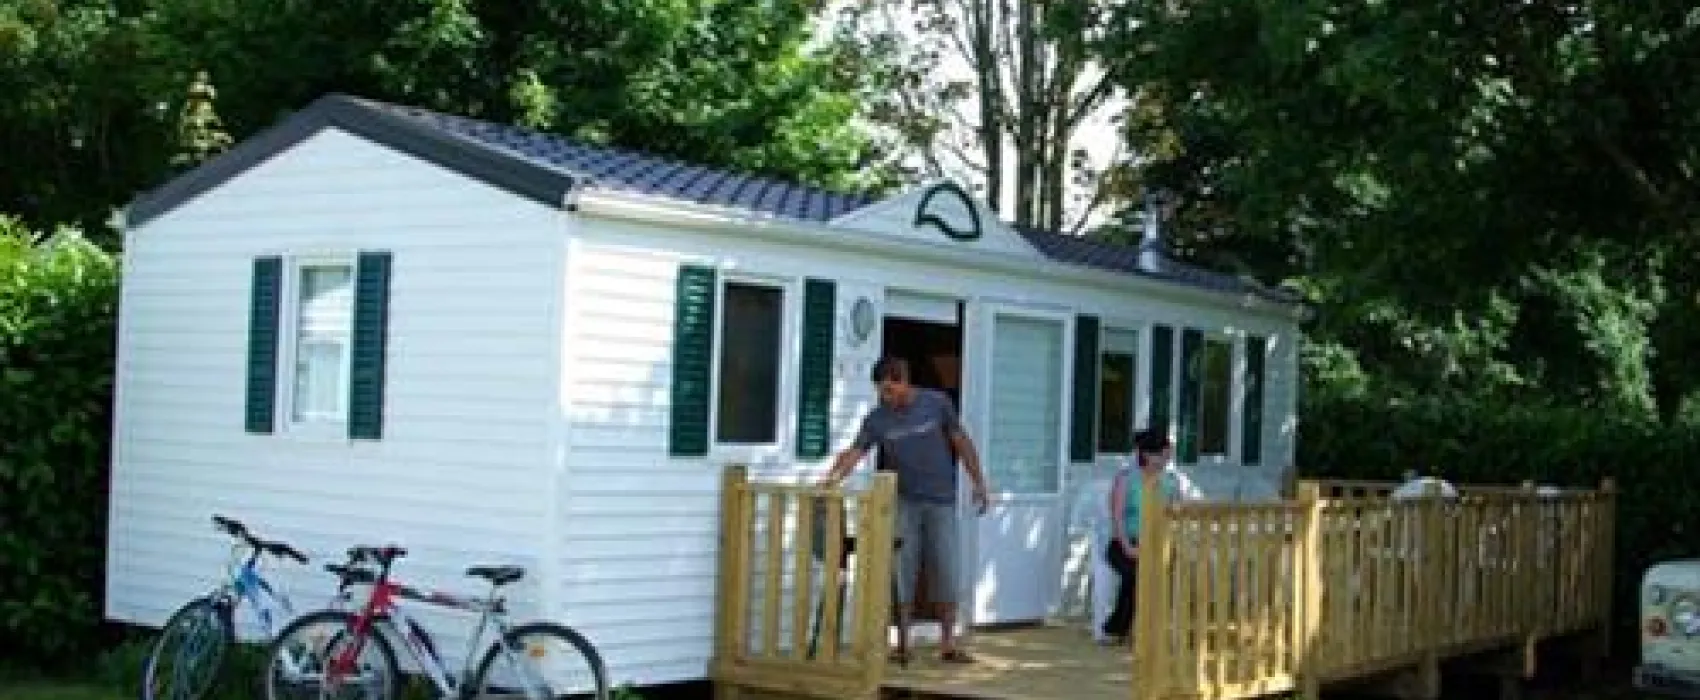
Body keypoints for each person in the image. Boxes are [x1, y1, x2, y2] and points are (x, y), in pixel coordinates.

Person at [820, 356, 990, 664]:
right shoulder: (877, 420)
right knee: (903, 572)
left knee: (946, 569)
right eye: (881, 391)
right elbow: (855, 452)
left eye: (890, 390)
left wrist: (978, 481)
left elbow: (961, 442)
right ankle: (903, 644)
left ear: (904, 381)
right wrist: (832, 478)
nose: (886, 397)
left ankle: (948, 643)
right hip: (905, 501)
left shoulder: (936, 404)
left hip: (941, 500)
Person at [1102, 428, 1181, 644]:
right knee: (1136, 573)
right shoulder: (1127, 479)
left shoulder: (1170, 482)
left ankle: (1133, 628)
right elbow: (1117, 517)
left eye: (1168, 455)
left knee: (1154, 572)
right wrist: (1127, 546)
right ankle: (1121, 628)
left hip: (1157, 543)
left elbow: (1175, 515)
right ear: (1147, 454)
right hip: (1124, 543)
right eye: (1163, 454)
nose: (1166, 459)